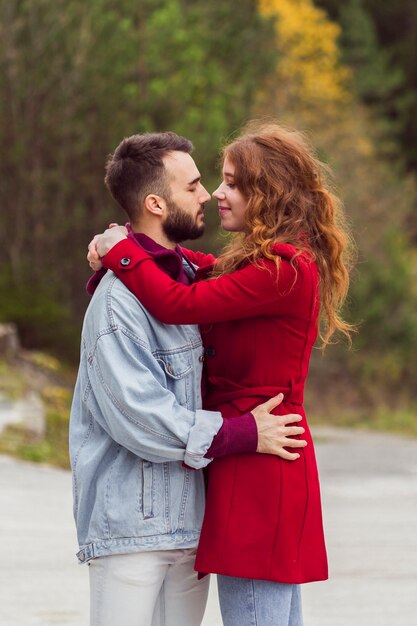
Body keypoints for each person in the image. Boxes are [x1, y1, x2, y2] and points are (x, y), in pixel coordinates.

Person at [90, 122, 354, 626]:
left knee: (257, 614)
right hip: (252, 452)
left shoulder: (284, 270)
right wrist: (123, 246)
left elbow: (177, 301)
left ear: (266, 193)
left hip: (259, 460)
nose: (217, 192)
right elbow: (196, 266)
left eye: (231, 182)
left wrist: (122, 251)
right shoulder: (266, 266)